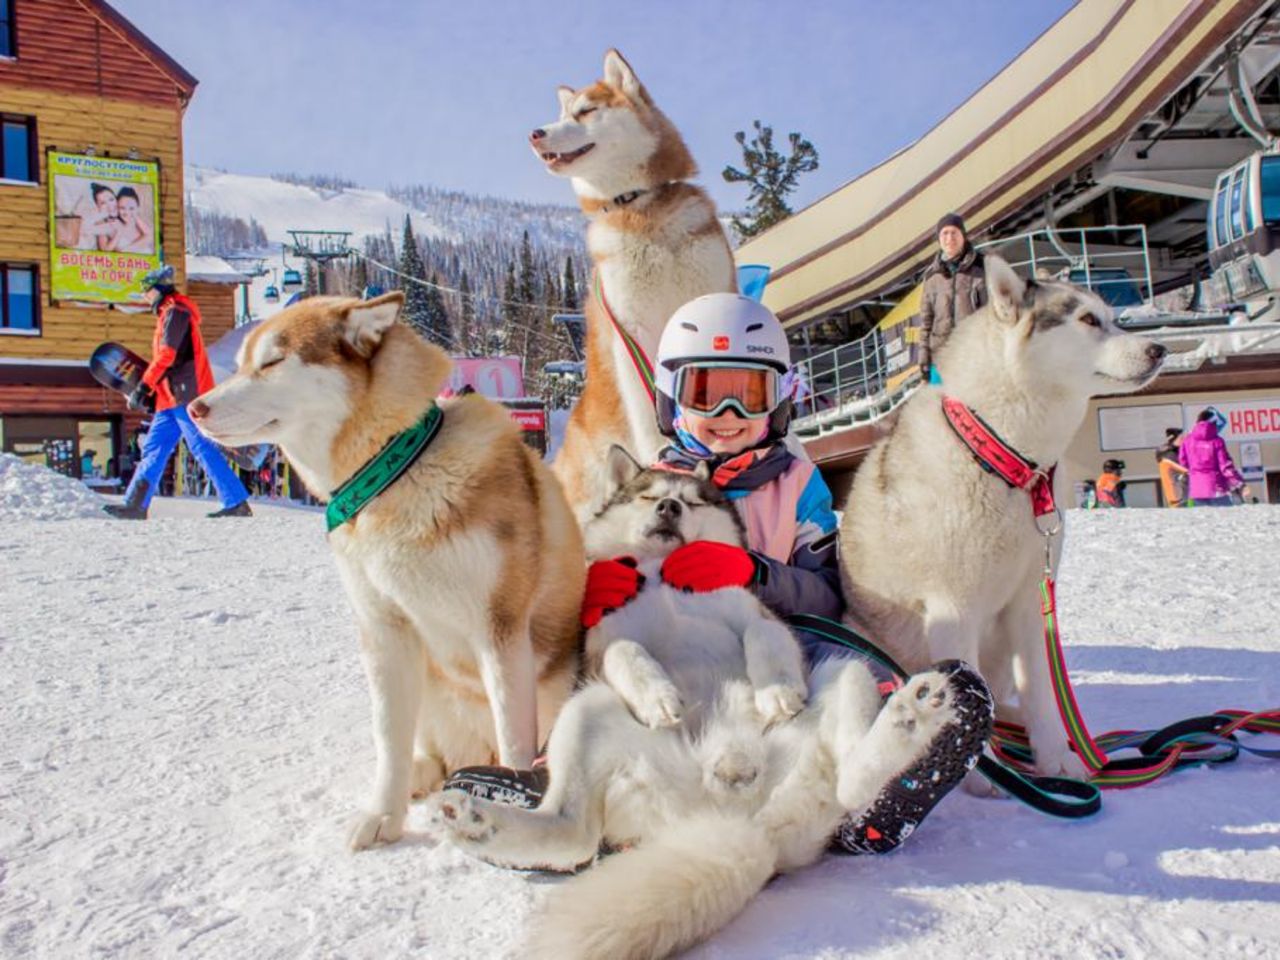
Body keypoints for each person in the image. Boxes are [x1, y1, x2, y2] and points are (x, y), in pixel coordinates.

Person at [580, 293, 993, 854]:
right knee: (615, 673)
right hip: (684, 661)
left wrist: (757, 573)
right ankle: (591, 791)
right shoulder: (649, 490)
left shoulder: (797, 485)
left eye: (748, 395)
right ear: (671, 399)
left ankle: (871, 784)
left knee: (848, 673)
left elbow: (827, 594)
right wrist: (590, 594)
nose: (728, 417)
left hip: (780, 661)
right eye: (707, 394)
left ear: (777, 401)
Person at [104, 265, 252, 520]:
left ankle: (236, 501)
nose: (144, 296)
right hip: (168, 397)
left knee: (201, 445)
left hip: (186, 393)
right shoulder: (167, 313)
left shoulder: (176, 312)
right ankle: (135, 504)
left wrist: (143, 385)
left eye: (147, 290)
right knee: (154, 448)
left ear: (159, 289)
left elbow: (167, 355)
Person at [918, 212, 987, 384]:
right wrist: (924, 359)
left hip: (975, 353)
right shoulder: (932, 277)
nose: (949, 238)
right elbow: (926, 321)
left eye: (954, 232)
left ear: (963, 235)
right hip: (941, 356)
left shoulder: (983, 266)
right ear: (939, 240)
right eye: (944, 233)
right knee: (941, 407)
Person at [1179, 409, 1253, 506]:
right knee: (1226, 519)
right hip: (1216, 488)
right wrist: (1240, 484)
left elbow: (1183, 462)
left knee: (1203, 520)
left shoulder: (1187, 440)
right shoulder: (1217, 441)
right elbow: (1225, 467)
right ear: (1214, 423)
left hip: (1197, 490)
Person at [109, 186, 154, 254]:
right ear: (117, 208)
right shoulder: (113, 226)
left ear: (138, 208)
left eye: (131, 208)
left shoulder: (142, 228)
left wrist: (135, 217)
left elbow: (149, 235)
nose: (127, 212)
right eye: (122, 208)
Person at [1156, 427, 1189, 507]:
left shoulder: (1174, 450)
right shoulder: (1168, 453)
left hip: (1181, 494)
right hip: (1178, 495)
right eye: (1181, 437)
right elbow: (1184, 472)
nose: (1183, 439)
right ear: (1173, 439)